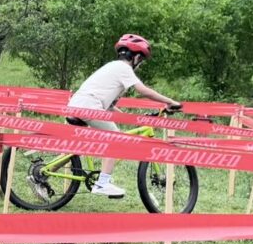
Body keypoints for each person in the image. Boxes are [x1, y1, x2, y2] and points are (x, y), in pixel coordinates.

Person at [67, 34, 181, 198]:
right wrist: (170, 102)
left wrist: (131, 119)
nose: (140, 65)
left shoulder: (112, 67)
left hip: (79, 105)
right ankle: (102, 184)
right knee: (116, 140)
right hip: (89, 106)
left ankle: (41, 174)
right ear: (136, 57)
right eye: (141, 60)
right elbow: (142, 90)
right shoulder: (123, 68)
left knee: (76, 148)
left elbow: (110, 107)